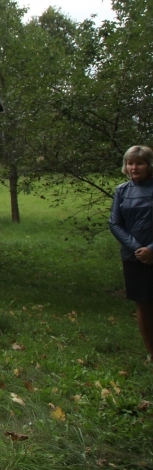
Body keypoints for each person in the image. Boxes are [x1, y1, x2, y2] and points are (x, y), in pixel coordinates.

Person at [109, 145, 153, 360]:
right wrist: (137, 248)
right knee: (143, 303)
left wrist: (152, 249)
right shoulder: (122, 190)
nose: (134, 167)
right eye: (130, 163)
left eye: (140, 163)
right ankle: (151, 352)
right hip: (134, 257)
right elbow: (115, 223)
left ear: (149, 165)